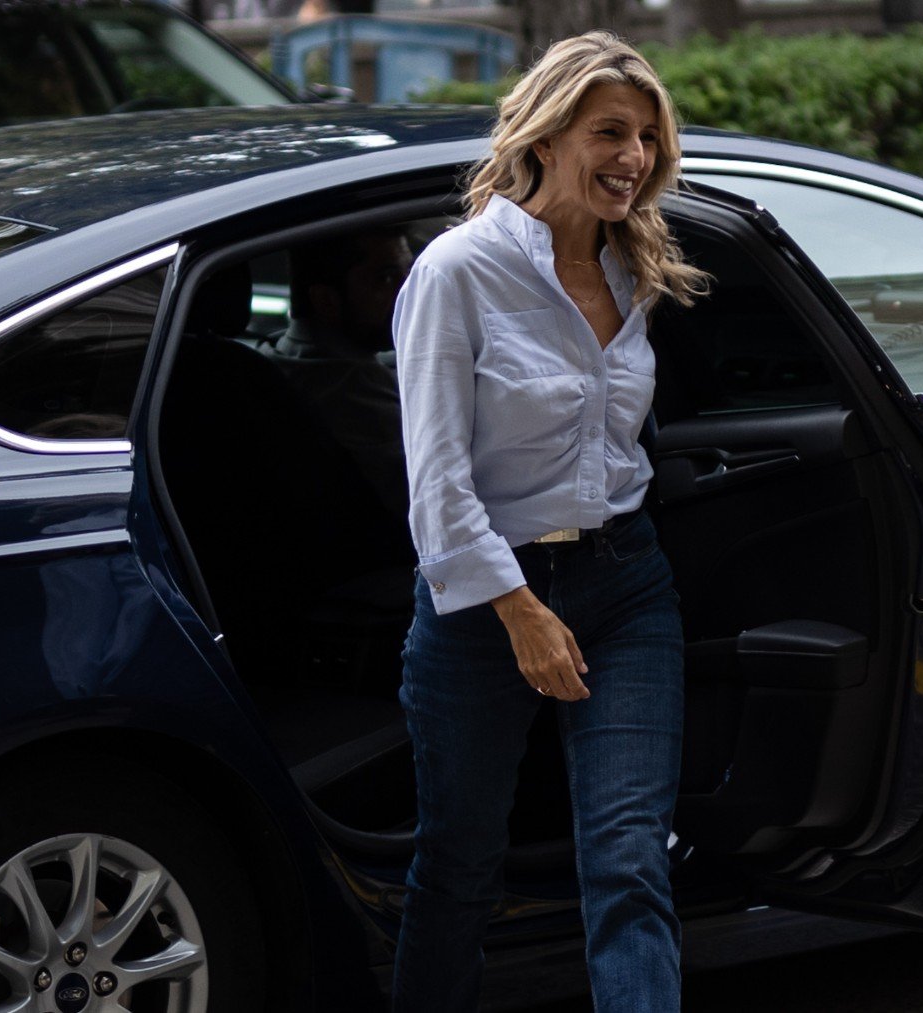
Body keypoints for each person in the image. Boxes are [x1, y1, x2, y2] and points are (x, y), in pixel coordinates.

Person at [388, 31, 708, 1012]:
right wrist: (521, 610)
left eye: (648, 137)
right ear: (547, 134)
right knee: (457, 864)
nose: (634, 158)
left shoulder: (635, 268)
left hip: (626, 583)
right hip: (486, 602)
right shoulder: (460, 272)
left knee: (628, 862)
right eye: (610, 131)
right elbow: (437, 484)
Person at [268, 227, 414, 516]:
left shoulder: (273, 357)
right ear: (326, 301)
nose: (408, 291)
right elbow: (431, 502)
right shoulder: (353, 390)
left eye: (409, 273)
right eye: (386, 278)